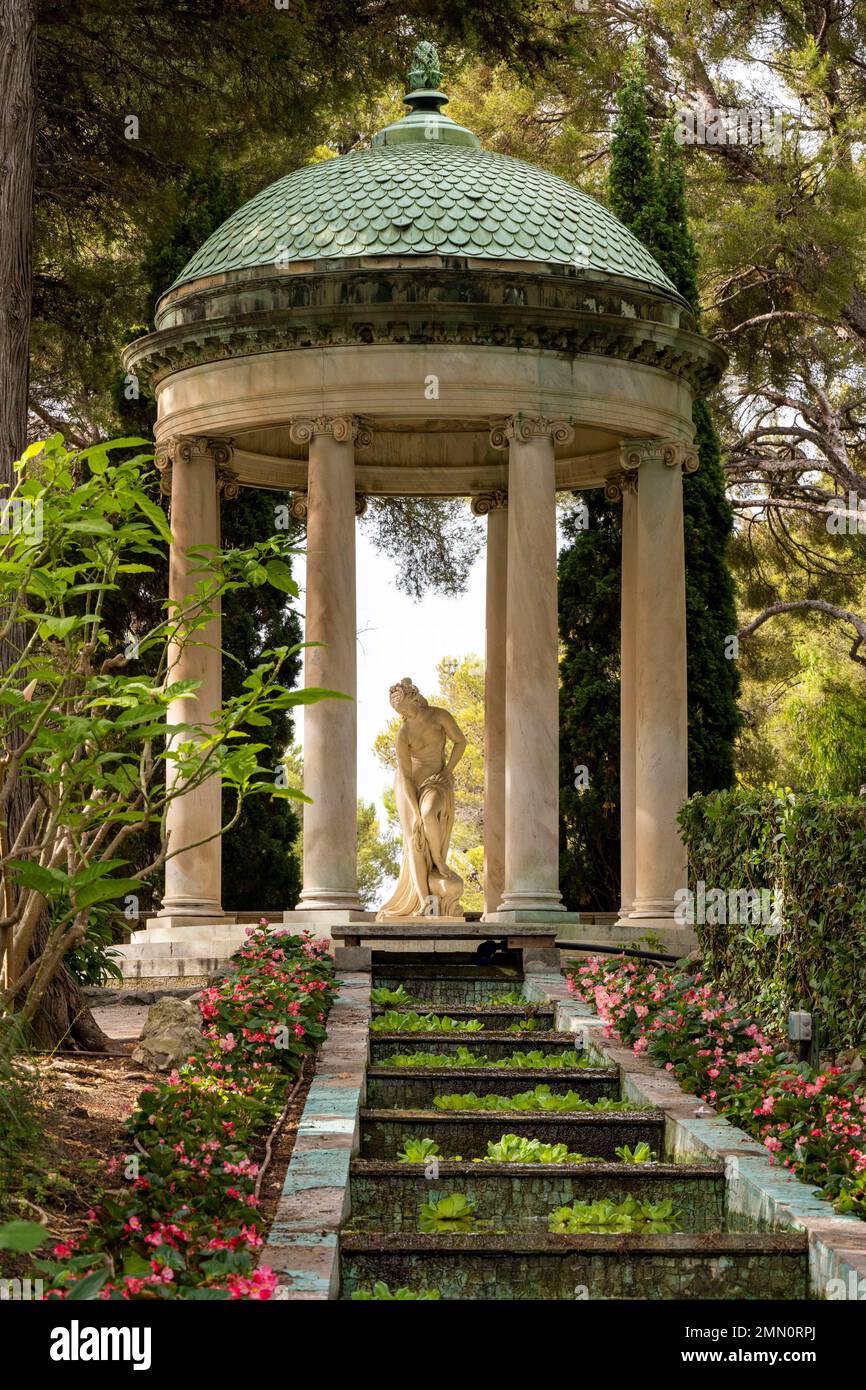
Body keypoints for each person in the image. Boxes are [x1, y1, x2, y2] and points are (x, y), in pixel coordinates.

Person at [376, 677, 467, 920]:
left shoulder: (439, 716)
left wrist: (447, 770)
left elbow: (460, 741)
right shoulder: (403, 732)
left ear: (415, 699)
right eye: (399, 712)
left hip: (436, 781)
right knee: (414, 840)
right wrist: (413, 813)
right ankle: (425, 903)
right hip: (407, 787)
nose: (404, 715)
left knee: (429, 814)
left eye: (406, 709)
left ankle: (438, 860)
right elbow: (405, 775)